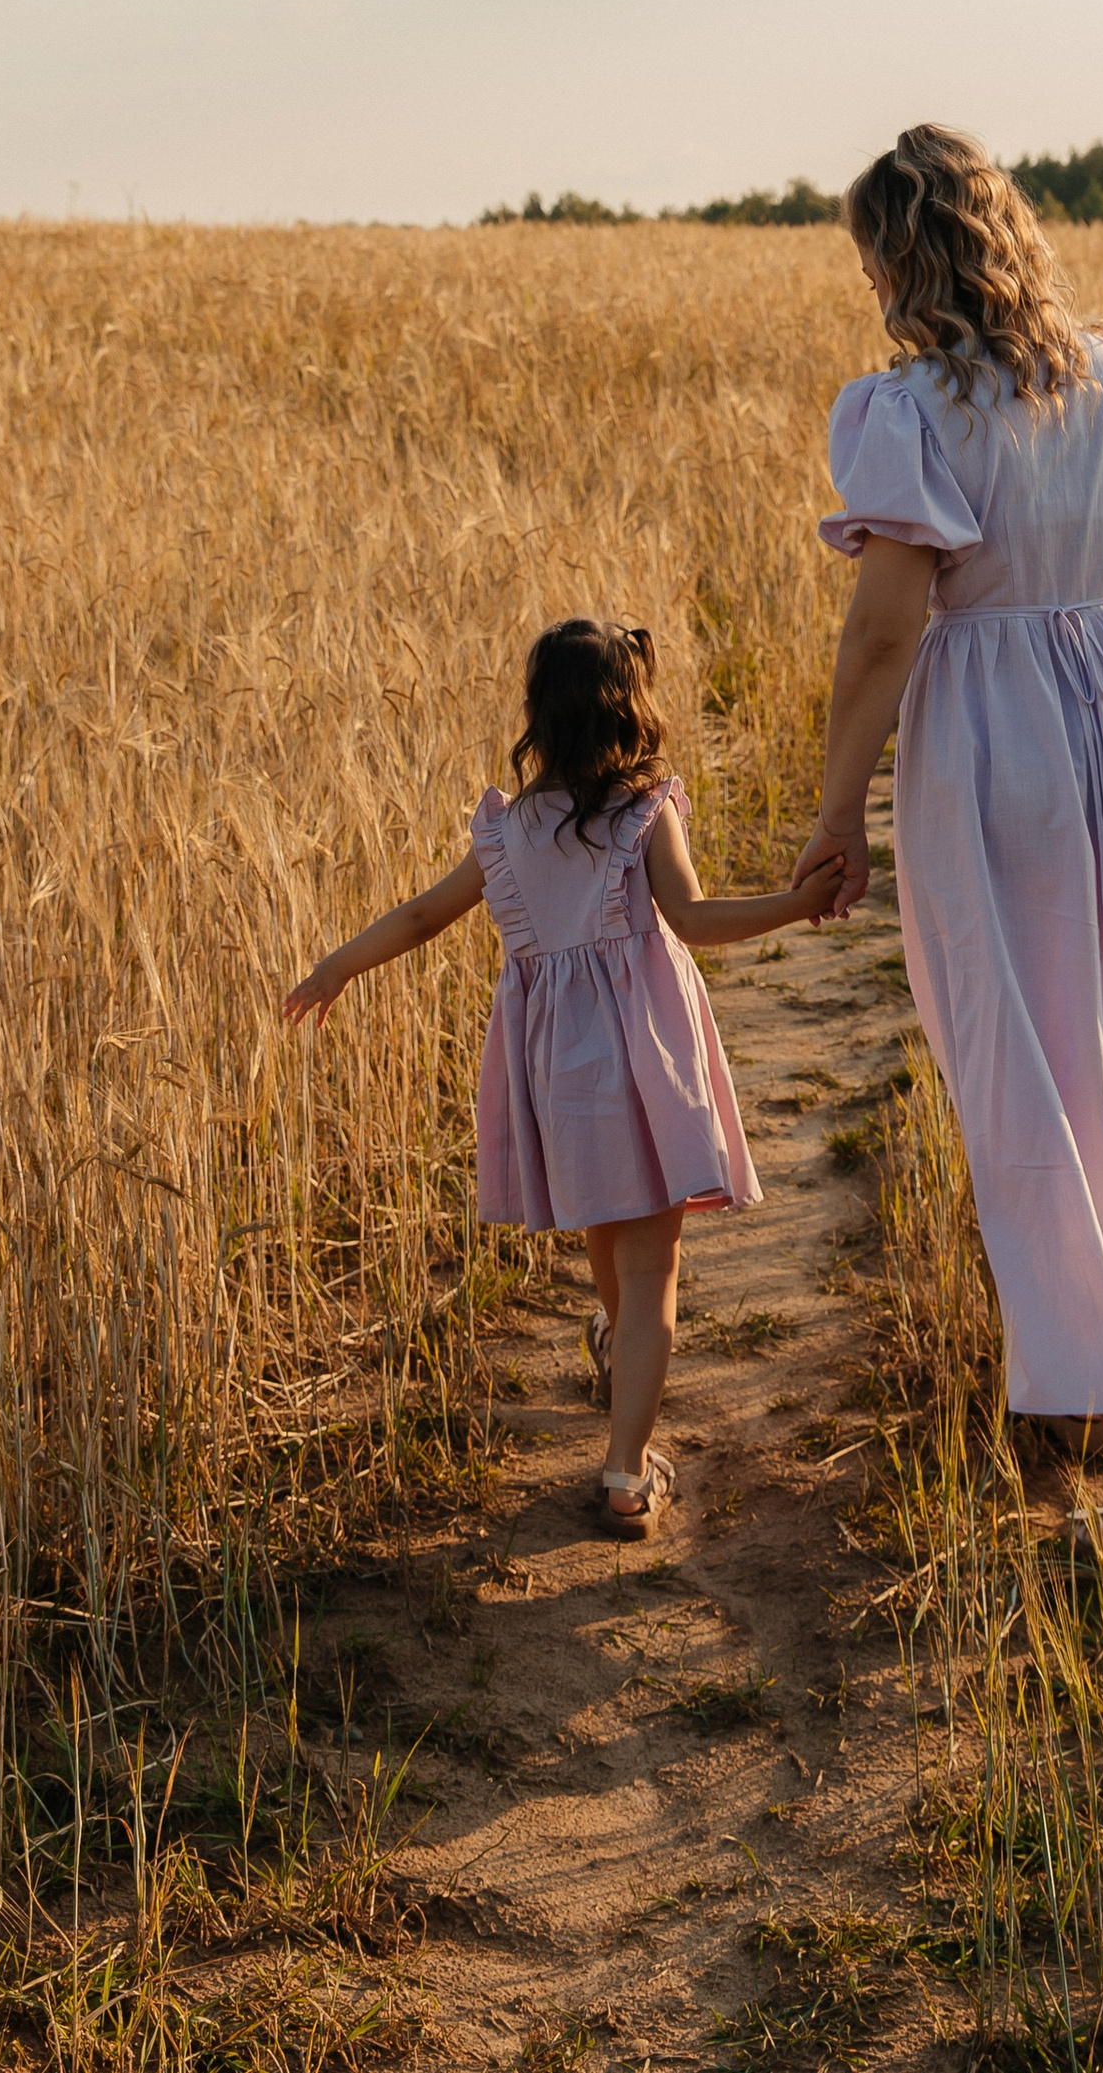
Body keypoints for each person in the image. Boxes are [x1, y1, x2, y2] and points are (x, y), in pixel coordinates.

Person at [791, 125, 1103, 1601]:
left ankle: (1091, 1490)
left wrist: (836, 806)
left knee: (1028, 1094)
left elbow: (884, 625)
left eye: (869, 260)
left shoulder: (908, 410)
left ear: (900, 261)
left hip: (998, 748)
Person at [283, 616, 840, 1532]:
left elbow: (425, 915)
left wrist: (338, 965)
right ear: (633, 712)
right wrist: (798, 904)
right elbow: (694, 922)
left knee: (606, 1234)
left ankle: (617, 1353)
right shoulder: (644, 814)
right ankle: (627, 1471)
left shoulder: (507, 832)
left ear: (539, 718)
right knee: (653, 1263)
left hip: (559, 1070)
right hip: (645, 1063)